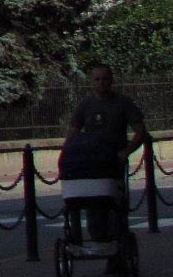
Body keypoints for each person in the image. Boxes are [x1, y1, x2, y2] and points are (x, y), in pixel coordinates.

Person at [62, 64, 151, 244]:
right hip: (91, 162)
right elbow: (73, 130)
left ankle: (117, 246)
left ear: (111, 80)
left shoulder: (123, 103)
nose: (101, 83)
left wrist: (125, 152)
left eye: (105, 79)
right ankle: (99, 241)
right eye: (97, 79)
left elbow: (140, 131)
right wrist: (67, 154)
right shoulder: (86, 104)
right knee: (92, 206)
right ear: (92, 82)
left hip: (113, 162)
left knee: (114, 206)